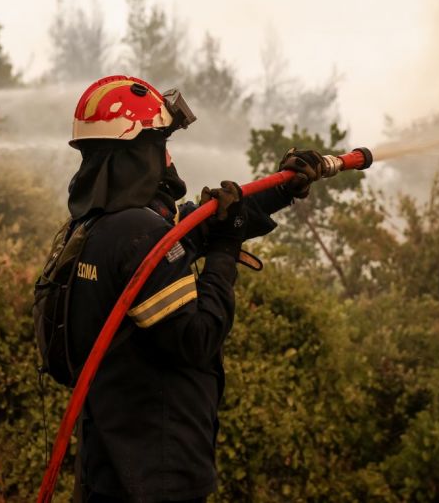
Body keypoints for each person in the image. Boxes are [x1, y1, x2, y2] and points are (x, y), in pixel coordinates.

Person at [62, 75, 326, 503]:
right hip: (156, 477)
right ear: (138, 152)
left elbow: (192, 226)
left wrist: (282, 186)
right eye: (159, 145)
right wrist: (225, 250)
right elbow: (198, 337)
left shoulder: (96, 227)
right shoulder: (138, 232)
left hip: (109, 468)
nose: (167, 159)